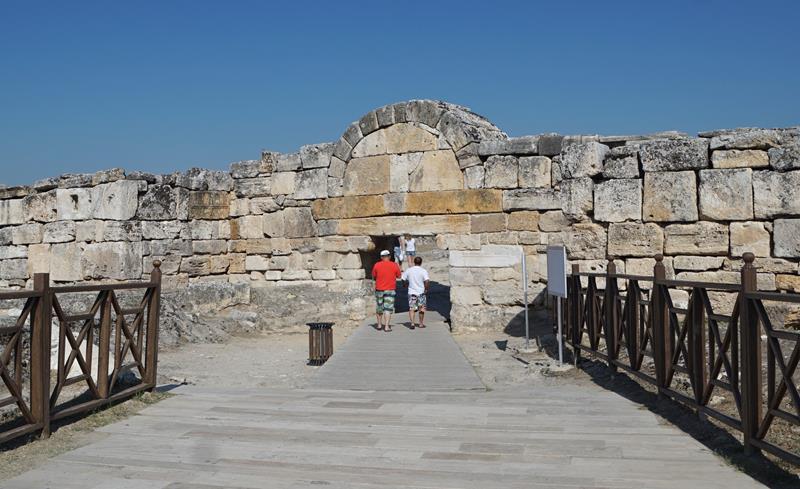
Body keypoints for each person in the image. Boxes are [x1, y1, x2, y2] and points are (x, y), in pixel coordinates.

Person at [371, 249, 401, 332]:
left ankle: (379, 325)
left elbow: (373, 276)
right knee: (388, 308)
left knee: (379, 307)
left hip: (379, 289)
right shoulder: (394, 265)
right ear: (389, 256)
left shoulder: (377, 265)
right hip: (390, 289)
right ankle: (387, 326)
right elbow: (399, 276)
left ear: (381, 257)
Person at [401, 256, 430, 329]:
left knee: (412, 308)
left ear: (414, 262)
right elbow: (426, 281)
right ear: (421, 262)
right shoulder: (423, 271)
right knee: (421, 309)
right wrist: (426, 289)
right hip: (421, 293)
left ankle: (412, 323)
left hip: (411, 292)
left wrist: (405, 285)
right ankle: (420, 323)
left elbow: (403, 278)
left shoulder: (409, 270)